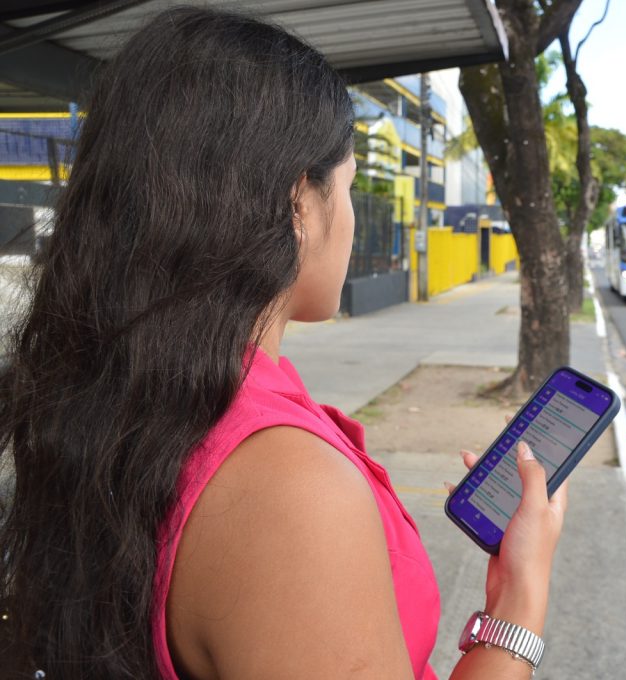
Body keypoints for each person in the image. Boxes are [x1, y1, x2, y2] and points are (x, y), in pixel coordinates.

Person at [0, 8, 565, 680]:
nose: (351, 218)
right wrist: (518, 600)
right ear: (299, 205)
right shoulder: (290, 493)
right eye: (349, 188)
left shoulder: (127, 386)